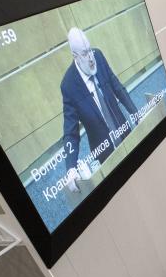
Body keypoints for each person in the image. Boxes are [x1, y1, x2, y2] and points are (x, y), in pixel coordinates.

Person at [60, 27, 140, 191]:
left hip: (124, 132)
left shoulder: (98, 56)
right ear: (75, 56)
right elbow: (71, 132)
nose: (90, 57)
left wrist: (137, 113)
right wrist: (71, 168)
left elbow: (117, 87)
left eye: (89, 50)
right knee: (120, 189)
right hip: (104, 150)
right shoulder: (68, 85)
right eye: (84, 53)